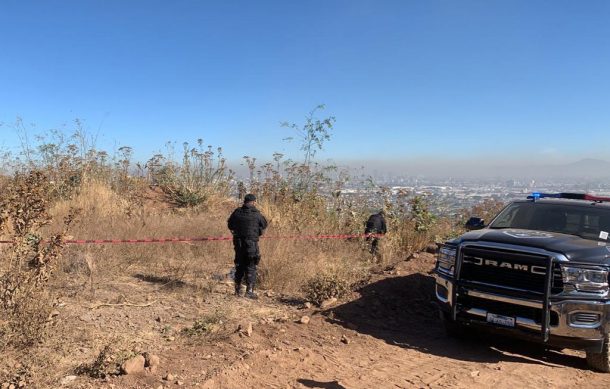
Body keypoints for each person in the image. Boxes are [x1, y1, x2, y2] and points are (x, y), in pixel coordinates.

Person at [227, 193, 268, 299]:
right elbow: (264, 224)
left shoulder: (237, 212)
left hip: (239, 244)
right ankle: (249, 291)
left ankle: (237, 291)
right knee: (251, 266)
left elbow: (230, 225)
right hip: (251, 244)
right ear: (254, 202)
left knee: (239, 266)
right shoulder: (256, 214)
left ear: (244, 202)